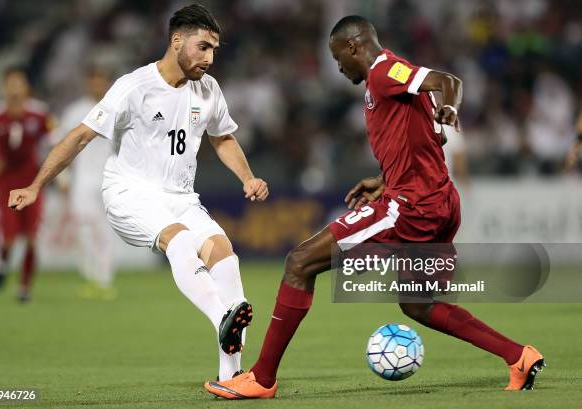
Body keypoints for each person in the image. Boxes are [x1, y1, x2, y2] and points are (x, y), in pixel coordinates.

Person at [205, 15, 544, 399]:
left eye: (338, 58)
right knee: (419, 305)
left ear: (354, 46)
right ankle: (519, 356)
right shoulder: (386, 84)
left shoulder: (384, 71)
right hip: (439, 200)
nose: (338, 67)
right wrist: (385, 179)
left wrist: (448, 107)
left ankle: (262, 378)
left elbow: (449, 82)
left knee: (300, 263)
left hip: (411, 206)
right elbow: (423, 145)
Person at [7, 4, 268, 382]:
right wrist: (35, 186)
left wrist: (247, 177)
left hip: (180, 197)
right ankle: (222, 318)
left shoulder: (208, 89)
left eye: (213, 50)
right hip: (129, 193)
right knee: (179, 242)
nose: (209, 58)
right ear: (176, 40)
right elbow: (79, 137)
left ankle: (231, 376)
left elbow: (223, 137)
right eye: (202, 47)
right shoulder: (135, 87)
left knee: (226, 257)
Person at [0, 66, 52, 303]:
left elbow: (53, 143)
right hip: (6, 183)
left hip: (31, 183)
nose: (15, 89)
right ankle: (2, 263)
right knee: (9, 237)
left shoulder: (39, 114)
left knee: (31, 238)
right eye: (11, 84)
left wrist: (58, 176)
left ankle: (24, 288)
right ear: (4, 88)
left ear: (26, 87)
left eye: (19, 83)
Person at [55, 67, 117, 299]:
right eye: (93, 80)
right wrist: (62, 177)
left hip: (112, 180)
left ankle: (104, 280)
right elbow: (62, 144)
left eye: (100, 80)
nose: (96, 85)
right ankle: (91, 276)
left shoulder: (118, 108)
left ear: (107, 83)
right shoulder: (75, 112)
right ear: (87, 83)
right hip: (82, 180)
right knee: (83, 230)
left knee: (104, 231)